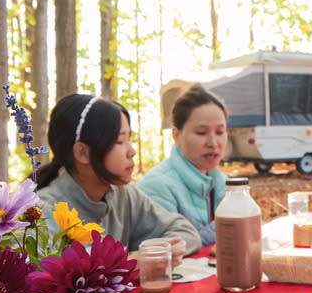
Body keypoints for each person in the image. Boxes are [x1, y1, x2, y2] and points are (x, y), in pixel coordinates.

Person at [35, 94, 201, 261]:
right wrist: (132, 263)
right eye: (120, 141)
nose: (132, 151)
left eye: (130, 139)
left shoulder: (125, 196)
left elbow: (186, 232)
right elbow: (50, 269)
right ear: (83, 153)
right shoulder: (42, 210)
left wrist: (160, 251)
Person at [136, 84, 228, 246]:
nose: (213, 143)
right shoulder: (156, 186)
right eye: (201, 132)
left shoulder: (223, 183)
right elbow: (165, 248)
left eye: (220, 132)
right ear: (176, 134)